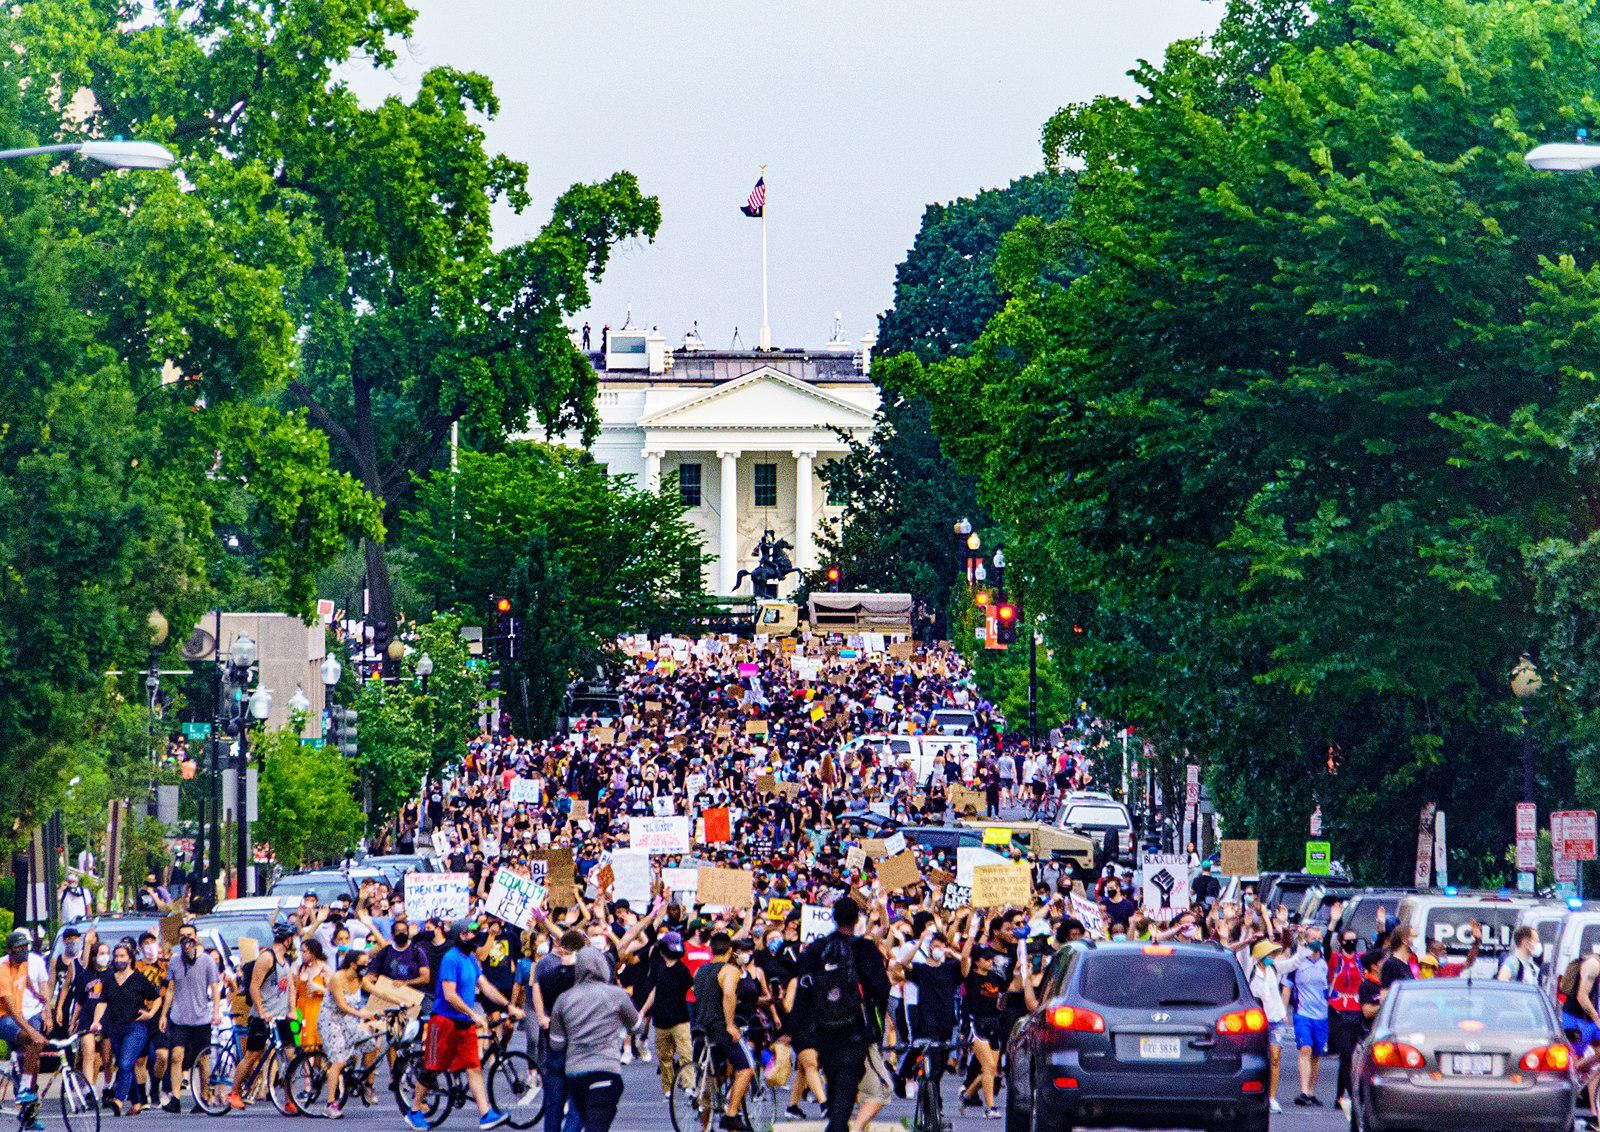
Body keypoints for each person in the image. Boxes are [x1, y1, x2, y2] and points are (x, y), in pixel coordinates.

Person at [406, 919, 522, 1131]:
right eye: (469, 933)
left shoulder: (471, 959)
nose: (474, 936)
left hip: (463, 1024)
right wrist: (473, 1014)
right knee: (433, 1068)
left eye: (475, 933)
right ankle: (414, 1111)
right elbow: (450, 995)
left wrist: (509, 1005)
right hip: (443, 1022)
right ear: (460, 935)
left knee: (474, 1068)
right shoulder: (451, 958)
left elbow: (485, 986)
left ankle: (486, 1114)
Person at [793, 898, 890, 1132]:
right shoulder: (864, 949)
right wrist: (875, 1023)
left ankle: (836, 1123)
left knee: (834, 1077)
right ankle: (837, 1125)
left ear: (833, 917)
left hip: (823, 1028)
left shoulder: (816, 949)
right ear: (857, 919)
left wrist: (796, 1029)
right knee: (848, 1079)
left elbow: (803, 988)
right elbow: (881, 987)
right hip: (854, 1027)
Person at [549, 946, 639, 1132]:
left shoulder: (564, 999)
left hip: (576, 1072)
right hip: (605, 1069)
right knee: (597, 1125)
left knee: (582, 1119)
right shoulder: (616, 995)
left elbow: (556, 1043)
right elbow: (637, 1025)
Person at [228, 922, 296, 1110]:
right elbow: (254, 986)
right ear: (288, 939)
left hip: (281, 1016)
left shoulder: (286, 960)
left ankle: (290, 1099)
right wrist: (261, 1011)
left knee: (290, 1055)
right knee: (252, 1055)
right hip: (262, 1016)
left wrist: (292, 1009)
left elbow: (291, 987)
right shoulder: (267, 958)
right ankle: (234, 1091)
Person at [88, 941, 160, 1116]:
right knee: (126, 1065)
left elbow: (156, 998)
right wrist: (96, 1021)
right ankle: (136, 1103)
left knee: (126, 1063)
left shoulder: (138, 978)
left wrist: (150, 1014)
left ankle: (118, 1100)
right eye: (117, 956)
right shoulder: (109, 980)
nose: (119, 959)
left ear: (130, 958)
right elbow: (103, 1002)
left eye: (123, 956)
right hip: (115, 1028)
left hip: (135, 1027)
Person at [162, 924, 223, 1114]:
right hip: (179, 1017)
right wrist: (164, 1014)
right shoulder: (174, 961)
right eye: (182, 936)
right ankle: (175, 1098)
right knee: (177, 1056)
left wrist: (215, 1012)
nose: (186, 939)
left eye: (189, 935)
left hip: (201, 1018)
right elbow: (171, 989)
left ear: (196, 938)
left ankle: (203, 1097)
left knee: (203, 1059)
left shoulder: (206, 961)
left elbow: (214, 988)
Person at [318, 950, 384, 1117]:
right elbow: (341, 1005)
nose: (366, 966)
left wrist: (402, 1002)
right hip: (331, 1020)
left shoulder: (360, 979)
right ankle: (331, 1103)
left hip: (347, 1019)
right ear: (353, 964)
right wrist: (362, 1014)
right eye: (363, 962)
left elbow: (379, 992)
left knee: (371, 1045)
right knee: (338, 1061)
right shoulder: (337, 978)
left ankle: (366, 1084)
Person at [638, 930, 693, 1098]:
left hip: (680, 1019)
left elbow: (691, 988)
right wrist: (643, 1011)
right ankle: (668, 1088)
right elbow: (655, 990)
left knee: (685, 1054)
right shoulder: (659, 968)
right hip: (661, 1020)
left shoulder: (682, 970)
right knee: (664, 1057)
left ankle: (689, 1085)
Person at [0, 929, 48, 1108]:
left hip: (16, 1017)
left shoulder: (23, 963)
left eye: (26, 946)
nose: (24, 950)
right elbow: (13, 1013)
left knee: (34, 1044)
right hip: (3, 1018)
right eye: (20, 948)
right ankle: (24, 1090)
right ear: (11, 951)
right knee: (33, 1039)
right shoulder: (3, 973)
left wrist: (36, 993)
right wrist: (33, 1032)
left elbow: (25, 978)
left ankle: (26, 1090)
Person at [1285, 934, 1328, 1107]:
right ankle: (1303, 1091)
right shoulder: (1297, 962)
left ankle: (1311, 1092)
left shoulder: (1326, 963)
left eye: (1319, 937)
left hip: (1322, 1015)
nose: (1316, 940)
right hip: (1302, 1013)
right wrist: (1283, 1011)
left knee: (1317, 1053)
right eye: (1313, 937)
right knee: (1305, 1049)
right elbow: (1287, 987)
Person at [1248, 940, 1288, 1117]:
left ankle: (1272, 1097)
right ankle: (1256, 1095)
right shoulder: (1251, 971)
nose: (1271, 958)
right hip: (1258, 1022)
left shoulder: (1274, 970)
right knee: (1258, 1059)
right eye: (1268, 955)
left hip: (1276, 1020)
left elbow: (1292, 961)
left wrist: (1302, 948)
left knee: (1275, 1058)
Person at [1327, 928, 1365, 1112]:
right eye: (1348, 940)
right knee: (1345, 1055)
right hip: (1338, 1011)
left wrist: (1381, 927)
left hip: (1357, 1011)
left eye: (1354, 939)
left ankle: (1339, 1096)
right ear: (1341, 942)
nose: (1351, 943)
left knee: (1350, 1055)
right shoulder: (1336, 959)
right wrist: (1332, 925)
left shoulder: (1360, 959)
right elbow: (1326, 948)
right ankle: (1348, 1094)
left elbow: (1380, 950)